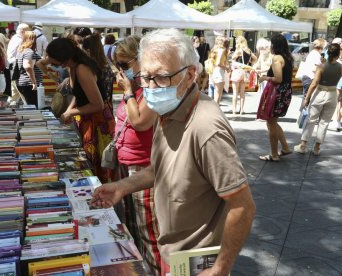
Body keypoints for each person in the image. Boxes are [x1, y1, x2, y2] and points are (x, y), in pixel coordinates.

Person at [91, 29, 255, 276]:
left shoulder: (206, 128)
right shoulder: (167, 110)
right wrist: (122, 187)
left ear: (190, 75)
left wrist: (221, 267)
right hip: (174, 254)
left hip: (199, 262)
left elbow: (243, 206)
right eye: (144, 77)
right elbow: (161, 169)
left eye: (161, 77)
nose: (151, 86)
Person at [112, 35, 160, 275]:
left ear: (141, 58)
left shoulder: (152, 88)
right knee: (134, 228)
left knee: (149, 231)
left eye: (124, 64)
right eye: (118, 66)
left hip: (144, 168)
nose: (121, 71)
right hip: (128, 164)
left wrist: (129, 91)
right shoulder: (137, 87)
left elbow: (140, 122)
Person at [44, 38, 115, 183]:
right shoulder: (73, 67)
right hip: (87, 117)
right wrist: (69, 110)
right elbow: (80, 94)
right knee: (87, 160)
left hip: (97, 121)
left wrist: (71, 112)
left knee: (95, 164)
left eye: (53, 61)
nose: (51, 64)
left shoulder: (82, 69)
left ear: (63, 58)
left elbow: (98, 104)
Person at [294, 43, 342, 155]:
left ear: (327, 52)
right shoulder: (340, 67)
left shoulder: (321, 66)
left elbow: (314, 83)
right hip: (332, 94)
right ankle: (317, 147)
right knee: (324, 122)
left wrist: (307, 98)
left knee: (311, 119)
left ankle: (303, 145)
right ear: (338, 53)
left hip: (320, 92)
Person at [258, 34, 293, 161]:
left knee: (271, 123)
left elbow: (278, 78)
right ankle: (285, 148)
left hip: (277, 93)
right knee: (273, 122)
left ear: (274, 45)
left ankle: (274, 154)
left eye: (271, 43)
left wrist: (264, 78)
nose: (270, 46)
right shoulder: (287, 57)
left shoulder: (277, 58)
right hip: (284, 92)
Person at [82, 33, 115, 111]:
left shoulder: (90, 66)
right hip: (106, 109)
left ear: (88, 50)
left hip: (93, 110)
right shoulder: (106, 62)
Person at [231, 36, 257, 115]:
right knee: (242, 92)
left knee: (235, 92)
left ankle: (234, 110)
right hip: (245, 73)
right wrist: (251, 64)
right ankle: (242, 110)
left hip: (237, 72)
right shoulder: (249, 50)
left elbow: (233, 58)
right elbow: (255, 58)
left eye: (237, 42)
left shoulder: (239, 51)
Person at [16, 31, 43, 106]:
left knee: (29, 106)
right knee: (33, 107)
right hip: (29, 84)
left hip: (24, 83)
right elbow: (27, 66)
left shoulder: (22, 51)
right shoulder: (29, 52)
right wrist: (34, 83)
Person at [7, 23, 29, 104]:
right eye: (28, 30)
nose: (29, 32)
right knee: (21, 90)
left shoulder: (16, 38)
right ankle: (28, 107)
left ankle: (10, 106)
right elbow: (12, 56)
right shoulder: (18, 39)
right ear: (23, 31)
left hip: (15, 67)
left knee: (15, 92)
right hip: (16, 67)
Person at [210, 36, 229, 104]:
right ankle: (216, 111)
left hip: (214, 72)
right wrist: (226, 68)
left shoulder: (214, 50)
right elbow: (218, 63)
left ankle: (215, 110)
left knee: (216, 92)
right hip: (219, 72)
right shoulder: (221, 50)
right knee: (218, 94)